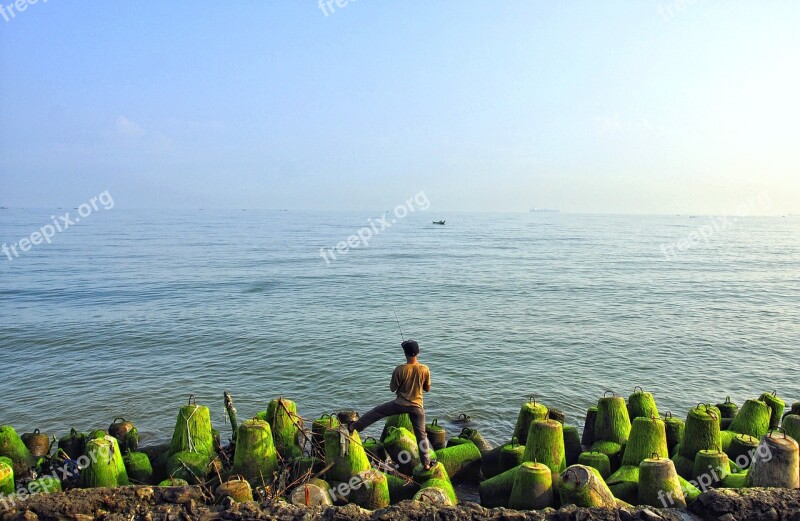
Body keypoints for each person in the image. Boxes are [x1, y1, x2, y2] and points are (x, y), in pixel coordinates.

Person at [348, 339, 433, 469]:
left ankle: (354, 427)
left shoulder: (399, 369)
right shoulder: (425, 369)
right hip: (417, 407)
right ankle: (426, 464)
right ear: (418, 353)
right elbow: (427, 389)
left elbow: (393, 388)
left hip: (400, 404)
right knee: (422, 435)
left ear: (405, 353)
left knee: (377, 412)